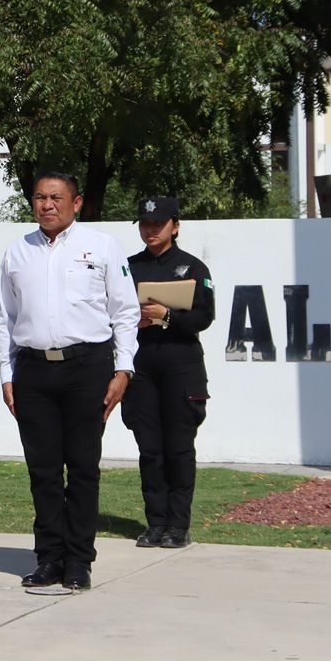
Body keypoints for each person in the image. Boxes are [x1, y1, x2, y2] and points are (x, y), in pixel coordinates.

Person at [0, 171, 140, 592]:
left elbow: (126, 312)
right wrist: (7, 374)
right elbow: (5, 318)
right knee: (42, 471)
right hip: (34, 371)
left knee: (81, 468)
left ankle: (78, 561)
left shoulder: (102, 246)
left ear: (76, 203)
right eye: (40, 197)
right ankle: (49, 558)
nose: (47, 205)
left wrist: (123, 370)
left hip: (87, 368)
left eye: (56, 197)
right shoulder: (16, 252)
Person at [124, 196, 215, 550]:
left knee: (178, 448)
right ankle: (155, 523)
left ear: (175, 226)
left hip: (181, 363)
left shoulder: (193, 268)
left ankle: (178, 525)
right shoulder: (128, 267)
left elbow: (204, 317)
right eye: (145, 224)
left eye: (158, 224)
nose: (150, 230)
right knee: (150, 448)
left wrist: (166, 315)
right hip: (142, 364)